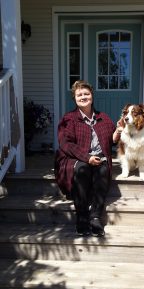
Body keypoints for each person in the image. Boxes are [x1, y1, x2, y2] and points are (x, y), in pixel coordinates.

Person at [54, 80, 121, 237]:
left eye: (86, 93)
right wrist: (87, 157)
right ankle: (82, 217)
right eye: (79, 94)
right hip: (74, 158)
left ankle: (95, 217)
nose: (83, 97)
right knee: (82, 169)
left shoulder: (103, 118)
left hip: (98, 158)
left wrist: (117, 131)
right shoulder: (69, 119)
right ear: (75, 98)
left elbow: (111, 140)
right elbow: (65, 144)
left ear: (92, 96)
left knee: (103, 170)